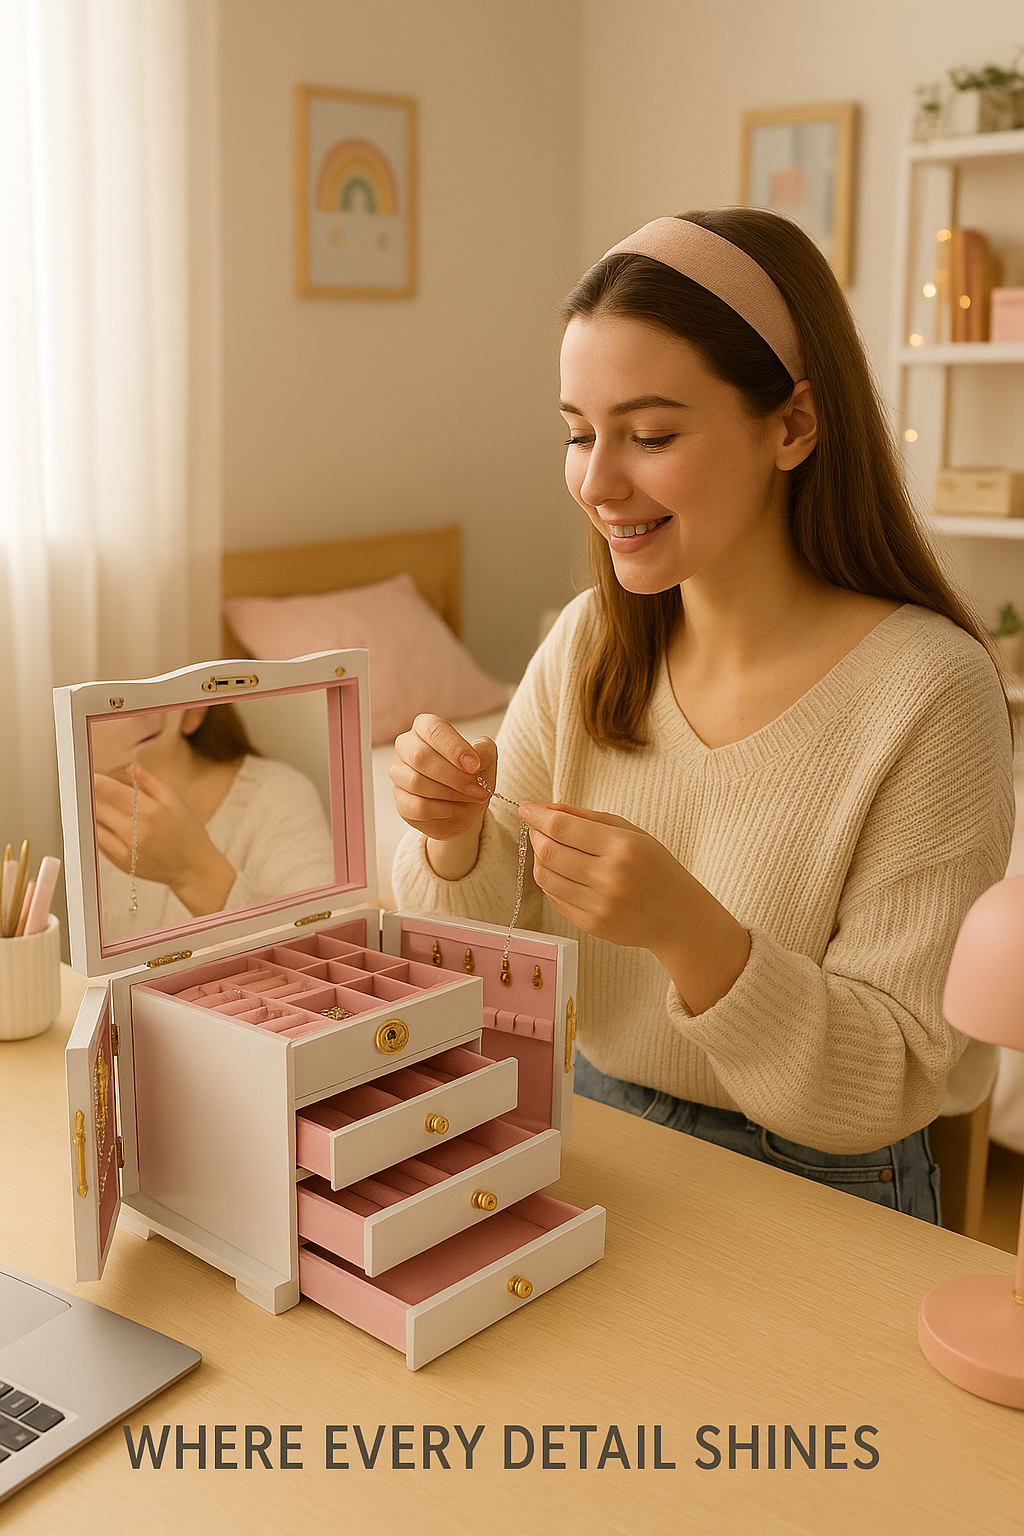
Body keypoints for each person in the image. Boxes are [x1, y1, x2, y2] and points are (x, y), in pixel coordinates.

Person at [389, 208, 1015, 1223]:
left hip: (824, 1182)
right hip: (596, 1125)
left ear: (793, 425)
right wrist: (454, 840)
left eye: (650, 435)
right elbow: (478, 952)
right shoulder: (592, 642)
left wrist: (689, 933)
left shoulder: (930, 690)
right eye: (578, 434)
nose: (597, 482)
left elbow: (889, 1078)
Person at [92, 701, 335, 944]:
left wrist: (193, 872)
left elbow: (324, 945)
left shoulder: (276, 796)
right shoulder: (82, 816)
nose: (133, 710)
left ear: (194, 713)